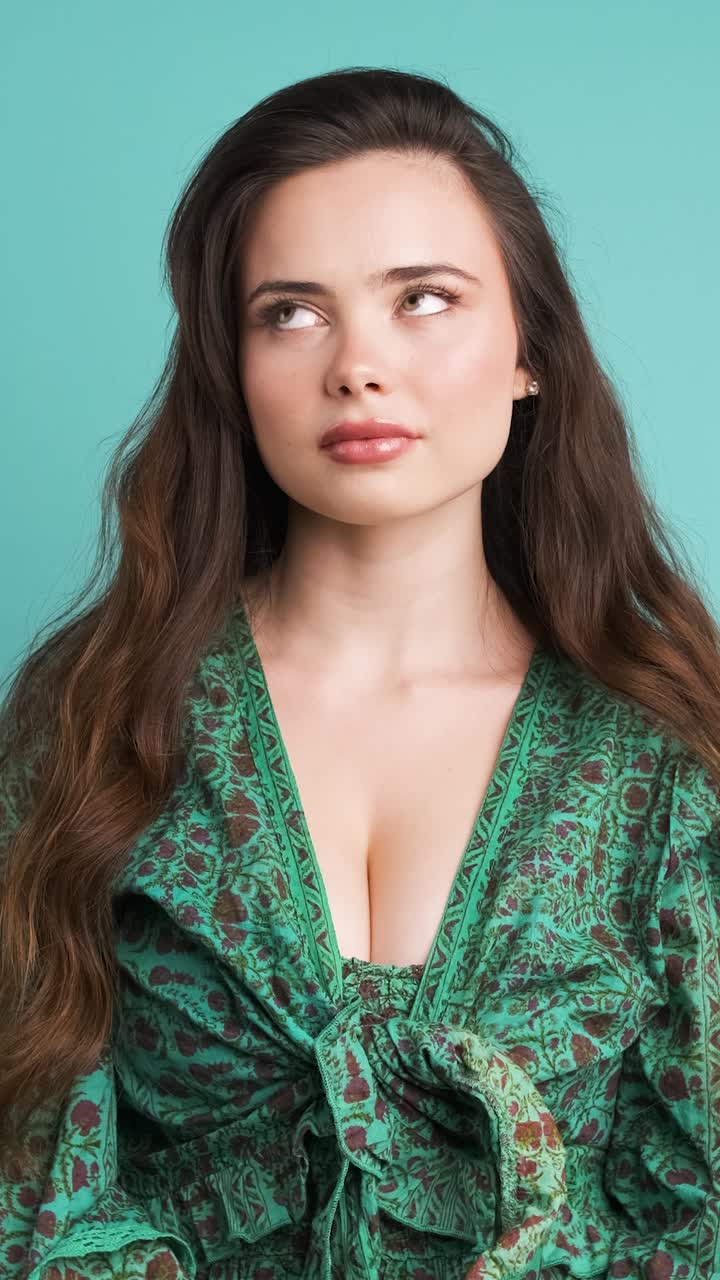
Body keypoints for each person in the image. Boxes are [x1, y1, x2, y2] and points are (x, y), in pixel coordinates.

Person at [1, 65, 719, 1280]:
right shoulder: (100, 720)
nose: (357, 365)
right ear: (231, 366)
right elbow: (32, 1191)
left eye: (423, 298)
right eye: (292, 310)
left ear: (529, 349)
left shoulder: (658, 757)